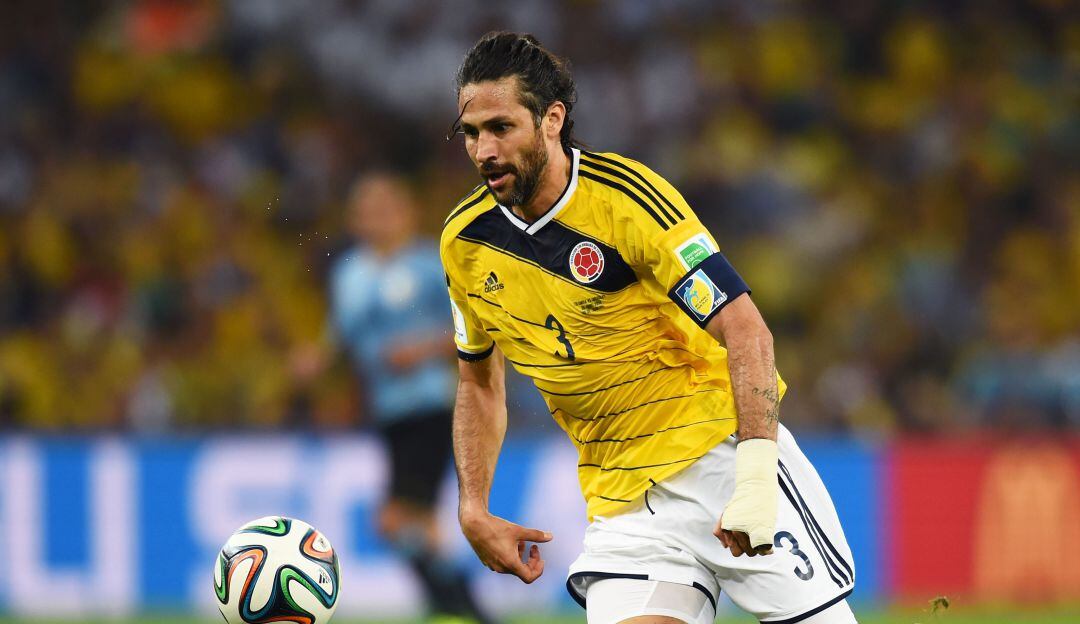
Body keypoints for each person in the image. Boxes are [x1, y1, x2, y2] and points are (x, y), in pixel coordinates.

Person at [440, 32, 856, 624]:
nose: (484, 150)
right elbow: (478, 382)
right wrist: (473, 507)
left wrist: (756, 478)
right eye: (471, 132)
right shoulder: (463, 243)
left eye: (501, 127)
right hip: (625, 502)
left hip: (718, 457)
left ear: (551, 119)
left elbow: (746, 331)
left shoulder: (627, 201)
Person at [321, 172, 494, 623]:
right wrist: (317, 365)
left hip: (429, 404)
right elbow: (343, 339)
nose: (377, 220)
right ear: (355, 220)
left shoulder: (429, 264)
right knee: (418, 525)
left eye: (386, 210)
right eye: (367, 212)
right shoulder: (349, 275)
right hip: (387, 410)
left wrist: (421, 350)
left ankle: (462, 609)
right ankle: (453, 607)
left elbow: (472, 327)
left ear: (406, 214)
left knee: (397, 520)